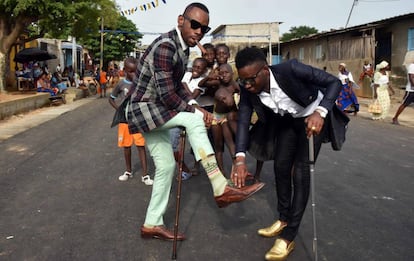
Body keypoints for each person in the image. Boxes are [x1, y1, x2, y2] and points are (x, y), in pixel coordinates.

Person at [126, 2, 264, 241]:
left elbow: (177, 87)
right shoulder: (166, 47)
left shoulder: (182, 49)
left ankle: (151, 223)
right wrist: (195, 110)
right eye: (195, 25)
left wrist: (195, 105)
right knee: (194, 121)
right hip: (144, 109)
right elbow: (167, 94)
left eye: (204, 29)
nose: (199, 31)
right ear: (181, 20)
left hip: (154, 109)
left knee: (167, 167)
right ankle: (220, 186)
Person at [232, 47, 345, 261]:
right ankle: (283, 219)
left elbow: (334, 83)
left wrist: (321, 112)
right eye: (243, 80)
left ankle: (289, 236)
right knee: (280, 167)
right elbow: (244, 119)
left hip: (312, 118)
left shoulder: (291, 69)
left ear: (265, 69)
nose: (247, 85)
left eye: (251, 79)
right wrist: (239, 158)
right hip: (288, 121)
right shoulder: (248, 87)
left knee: (300, 174)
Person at [109, 57, 153, 185]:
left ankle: (145, 175)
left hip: (138, 119)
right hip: (124, 121)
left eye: (136, 71)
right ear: (125, 71)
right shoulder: (121, 84)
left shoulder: (141, 84)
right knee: (126, 146)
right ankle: (128, 171)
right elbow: (111, 98)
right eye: (131, 71)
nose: (134, 74)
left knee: (140, 145)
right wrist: (119, 110)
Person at [211, 63, 240, 176]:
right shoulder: (218, 83)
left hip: (227, 117)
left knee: (230, 143)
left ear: (232, 73)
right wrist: (212, 73)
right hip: (216, 116)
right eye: (221, 73)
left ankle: (236, 172)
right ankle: (222, 173)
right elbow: (204, 82)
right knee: (218, 146)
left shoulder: (235, 86)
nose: (223, 76)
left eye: (226, 73)